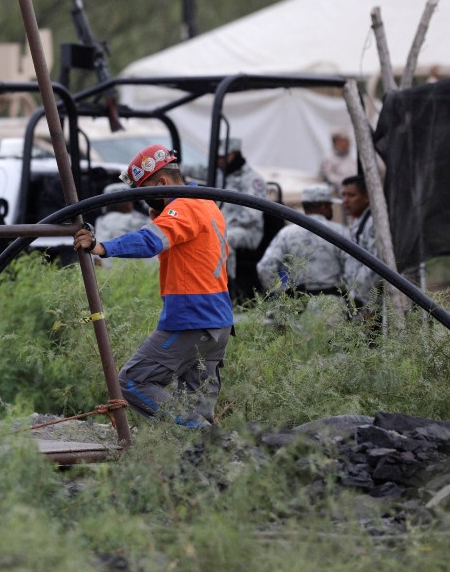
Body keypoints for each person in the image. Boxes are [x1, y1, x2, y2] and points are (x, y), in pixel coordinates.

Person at [72, 144, 233, 428]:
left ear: (162, 182)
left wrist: (100, 247)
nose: (143, 200)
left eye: (145, 191)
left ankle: (199, 433)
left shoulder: (183, 207)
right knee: (194, 405)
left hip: (192, 321)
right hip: (218, 324)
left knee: (133, 381)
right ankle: (207, 460)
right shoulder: (206, 203)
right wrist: (160, 214)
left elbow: (149, 241)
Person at [256, 184, 347, 296]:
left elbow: (265, 267)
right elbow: (355, 270)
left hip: (300, 305)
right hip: (333, 305)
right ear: (324, 206)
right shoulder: (341, 232)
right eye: (330, 205)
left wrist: (283, 293)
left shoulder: (286, 233)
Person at [216, 137, 268, 301]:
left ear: (233, 155)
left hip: (248, 231)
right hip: (225, 226)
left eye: (223, 157)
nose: (219, 161)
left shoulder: (253, 179)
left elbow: (252, 214)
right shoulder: (223, 175)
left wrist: (224, 225)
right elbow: (199, 170)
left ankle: (227, 288)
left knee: (223, 239)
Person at [339, 174, 381, 318]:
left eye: (351, 195)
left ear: (367, 197)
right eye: (343, 195)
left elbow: (375, 266)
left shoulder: (373, 223)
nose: (345, 201)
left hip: (368, 305)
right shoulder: (360, 222)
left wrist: (366, 305)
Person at [319, 130, 357, 196]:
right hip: (339, 193)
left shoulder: (351, 160)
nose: (347, 145)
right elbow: (329, 177)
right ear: (336, 142)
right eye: (344, 142)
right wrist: (347, 183)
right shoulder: (329, 160)